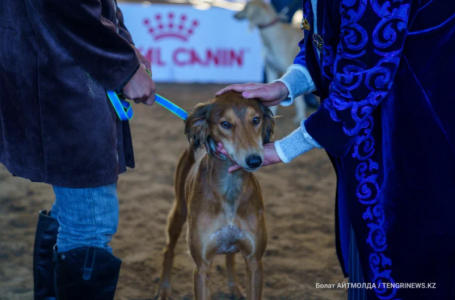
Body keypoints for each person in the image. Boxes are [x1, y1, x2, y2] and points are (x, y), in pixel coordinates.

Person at [217, 0, 455, 299]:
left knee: (414, 256)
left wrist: (284, 149)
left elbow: (362, 77)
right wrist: (284, 87)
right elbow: (322, 45)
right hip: (369, 140)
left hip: (415, 136)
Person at [0, 0, 155, 299]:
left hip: (55, 66)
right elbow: (70, 7)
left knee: (76, 206)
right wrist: (123, 65)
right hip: (63, 77)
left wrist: (123, 45)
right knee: (91, 220)